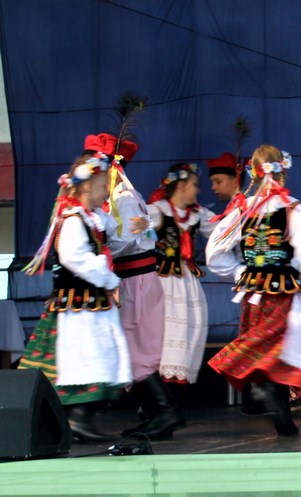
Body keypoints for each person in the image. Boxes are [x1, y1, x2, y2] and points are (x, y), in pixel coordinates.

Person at [206, 145, 301, 436]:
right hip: (283, 292)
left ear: (252, 174)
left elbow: (214, 254)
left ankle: (277, 406)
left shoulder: (242, 211)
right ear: (283, 172)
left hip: (253, 294)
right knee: (283, 348)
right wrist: (294, 267)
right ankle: (272, 397)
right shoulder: (297, 211)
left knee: (263, 346)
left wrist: (240, 271)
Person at [19, 152, 131, 441]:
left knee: (98, 353)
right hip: (78, 306)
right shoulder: (72, 219)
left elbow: (113, 238)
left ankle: (81, 417)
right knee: (83, 355)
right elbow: (73, 257)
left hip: (93, 304)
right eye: (103, 186)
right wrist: (107, 276)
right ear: (86, 187)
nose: (106, 192)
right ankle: (77, 417)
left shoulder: (93, 219)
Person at [82, 133, 184, 439]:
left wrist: (97, 247)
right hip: (132, 279)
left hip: (135, 280)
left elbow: (127, 239)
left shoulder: (123, 197)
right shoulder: (119, 196)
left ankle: (165, 413)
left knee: (135, 348)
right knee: (131, 348)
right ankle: (157, 414)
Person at [147, 163, 217, 386]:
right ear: (181, 185)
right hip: (161, 282)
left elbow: (222, 231)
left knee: (188, 327)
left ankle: (173, 385)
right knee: (164, 330)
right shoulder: (156, 211)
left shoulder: (198, 215)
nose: (198, 190)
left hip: (186, 282)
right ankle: (156, 385)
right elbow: (131, 235)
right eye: (194, 185)